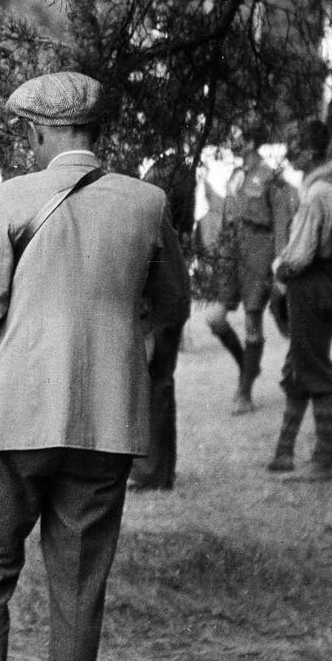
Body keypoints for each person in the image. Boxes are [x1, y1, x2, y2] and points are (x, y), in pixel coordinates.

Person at [0, 71, 190, 661]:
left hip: (13, 418)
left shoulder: (9, 197)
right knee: (79, 594)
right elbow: (173, 305)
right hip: (105, 421)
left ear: (40, 131)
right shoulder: (147, 203)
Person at [267, 118, 332, 482]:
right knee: (300, 365)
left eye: (294, 146)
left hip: (311, 286)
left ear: (309, 153)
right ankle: (284, 452)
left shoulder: (316, 194)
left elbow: (298, 256)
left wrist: (278, 272)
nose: (289, 152)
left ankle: (325, 460)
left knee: (313, 369)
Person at [205, 121, 297, 414]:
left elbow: (282, 223)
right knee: (215, 319)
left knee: (252, 323)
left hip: (259, 253)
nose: (231, 139)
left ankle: (244, 393)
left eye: (236, 135)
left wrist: (280, 263)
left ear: (249, 141)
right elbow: (226, 215)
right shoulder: (235, 175)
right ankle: (248, 366)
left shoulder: (270, 177)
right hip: (233, 253)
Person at [128, 151, 197, 491]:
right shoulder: (161, 190)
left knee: (153, 383)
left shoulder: (150, 198)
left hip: (161, 302)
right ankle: (159, 469)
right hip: (171, 297)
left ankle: (152, 471)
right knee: (160, 383)